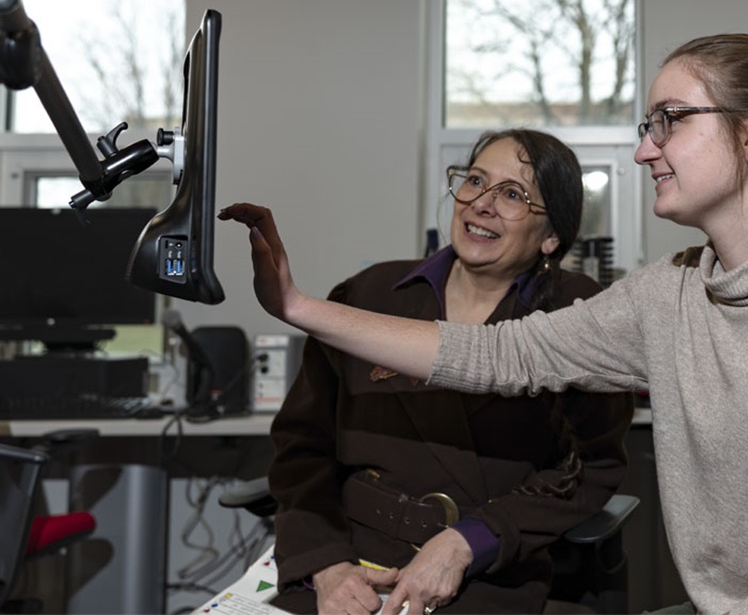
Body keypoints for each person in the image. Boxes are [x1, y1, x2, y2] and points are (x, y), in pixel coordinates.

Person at [223, 33, 748, 614]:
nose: (643, 149)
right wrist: (297, 307)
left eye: (670, 121)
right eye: (647, 125)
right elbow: (501, 356)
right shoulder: (671, 292)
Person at [262, 128, 634, 615]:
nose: (482, 203)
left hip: (482, 572)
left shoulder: (577, 314)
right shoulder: (369, 295)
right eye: (475, 181)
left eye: (513, 194)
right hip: (348, 559)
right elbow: (302, 449)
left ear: (551, 237)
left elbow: (590, 468)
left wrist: (468, 543)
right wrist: (328, 565)